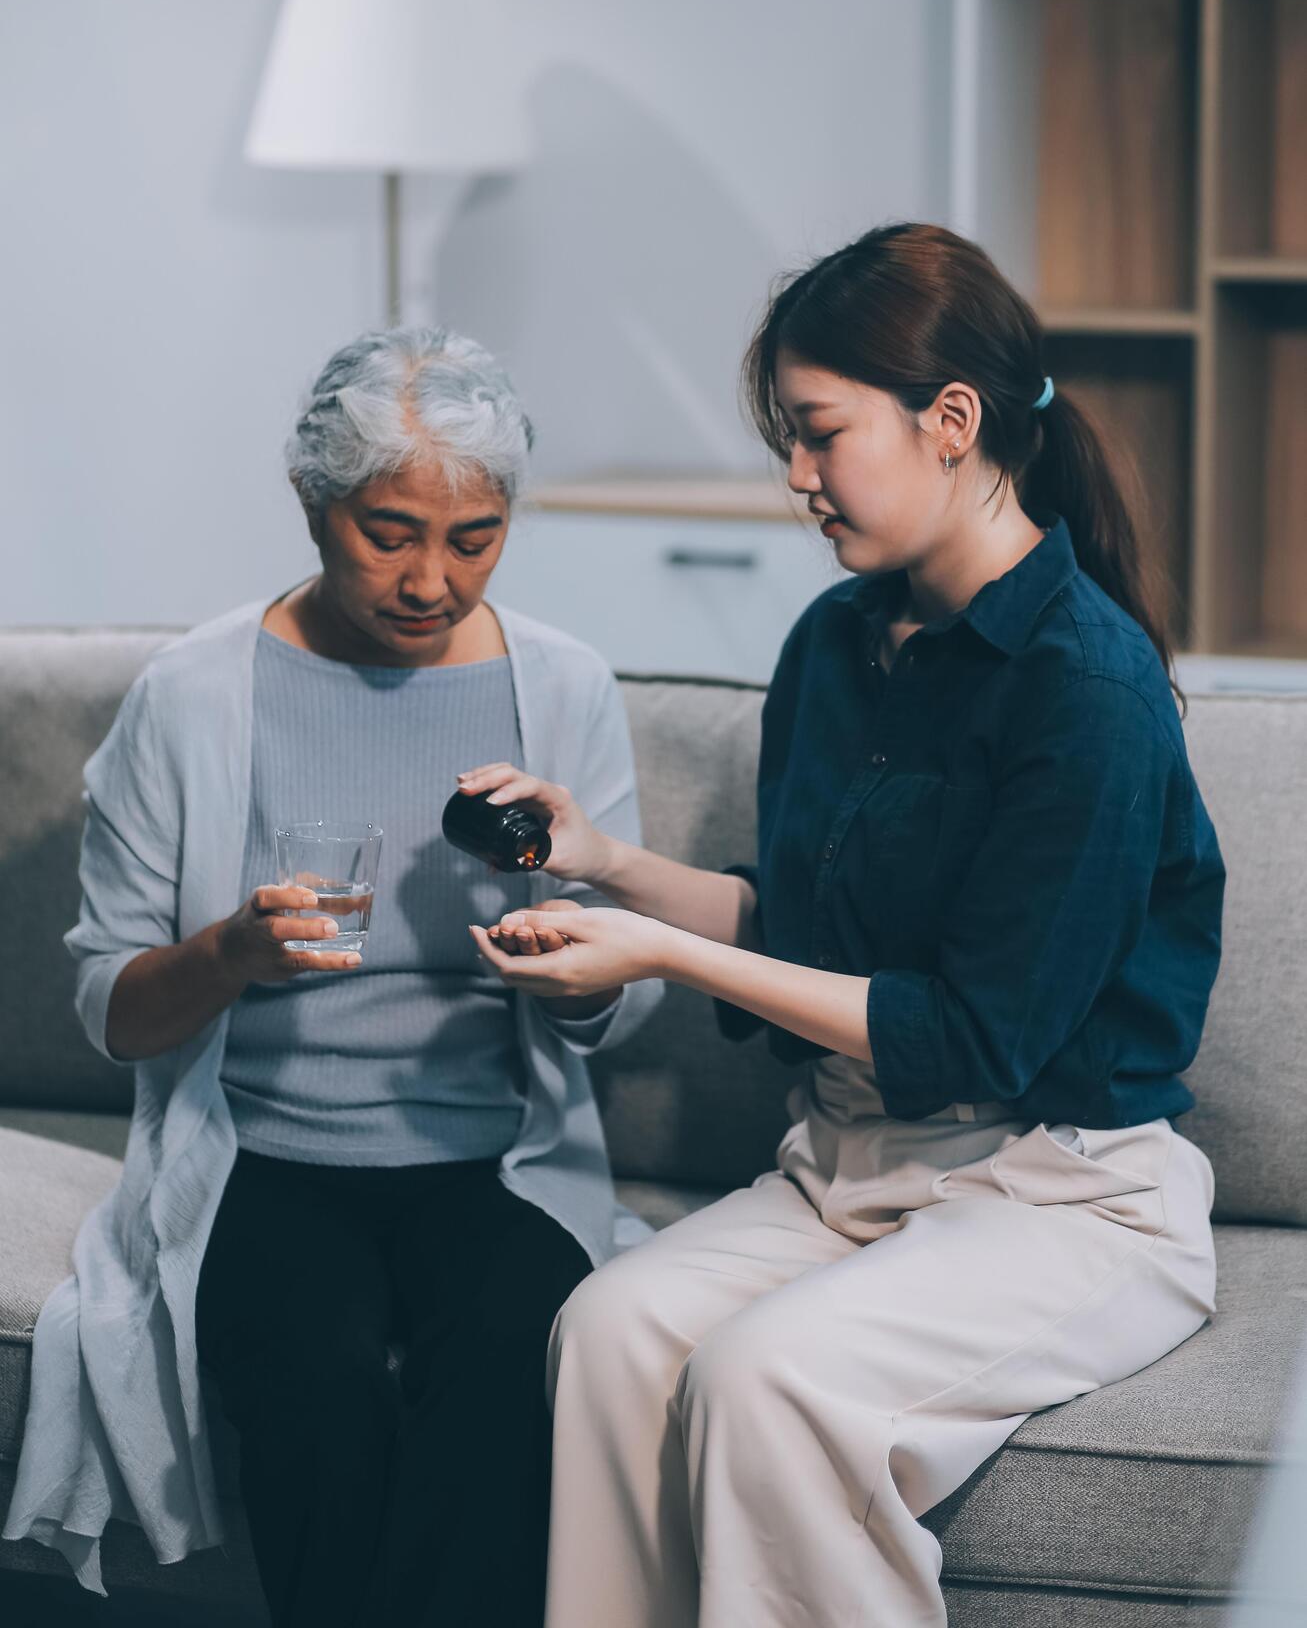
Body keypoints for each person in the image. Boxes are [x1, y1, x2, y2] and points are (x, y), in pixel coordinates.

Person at [467, 222, 1226, 1628]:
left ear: (952, 423)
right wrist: (607, 863)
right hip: (852, 1168)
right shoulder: (835, 644)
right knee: (611, 1330)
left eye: (819, 433)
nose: (797, 478)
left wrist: (666, 954)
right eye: (789, 441)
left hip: (1063, 1197)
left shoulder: (1087, 692)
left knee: (769, 1376)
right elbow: (806, 930)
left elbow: (975, 1033)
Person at [3, 326, 661, 1628]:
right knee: (316, 1377)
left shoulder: (564, 688)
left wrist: (576, 977)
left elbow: (625, 991)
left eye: (473, 539)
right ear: (313, 506)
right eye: (387, 531)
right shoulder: (195, 696)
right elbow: (112, 1011)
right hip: (267, 1152)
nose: (430, 580)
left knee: (504, 1366)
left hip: (497, 1152)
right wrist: (231, 952)